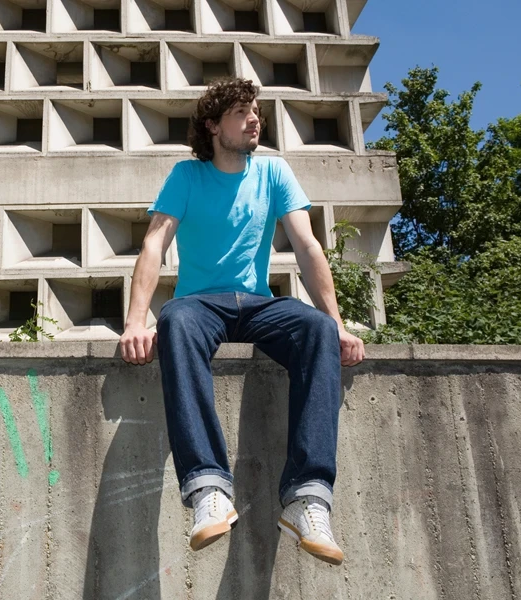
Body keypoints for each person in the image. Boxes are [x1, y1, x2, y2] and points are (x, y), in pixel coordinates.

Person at [119, 77, 365, 565]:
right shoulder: (187, 177)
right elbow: (154, 243)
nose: (255, 119)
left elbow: (308, 246)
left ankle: (307, 498)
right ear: (212, 125)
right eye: (241, 113)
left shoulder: (274, 172)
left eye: (256, 112)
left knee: (315, 329)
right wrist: (135, 320)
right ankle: (209, 489)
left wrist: (335, 321)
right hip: (201, 305)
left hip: (258, 303)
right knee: (176, 321)